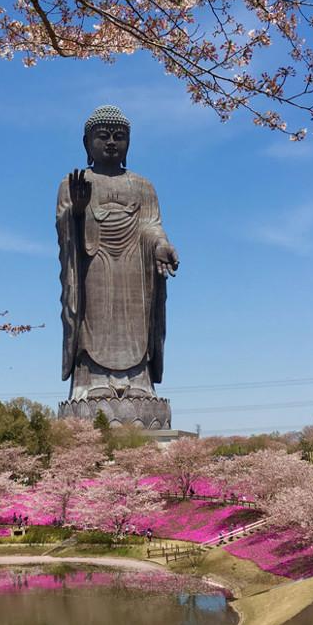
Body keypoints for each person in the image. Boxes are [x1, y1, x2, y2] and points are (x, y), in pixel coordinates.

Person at [57, 106, 179, 429]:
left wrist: (162, 246)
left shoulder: (144, 187)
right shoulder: (73, 183)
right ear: (87, 143)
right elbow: (65, 229)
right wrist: (78, 213)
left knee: (136, 323)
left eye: (119, 137)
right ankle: (90, 385)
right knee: (92, 320)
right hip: (93, 267)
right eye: (103, 136)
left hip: (134, 272)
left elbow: (152, 226)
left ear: (129, 143)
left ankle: (139, 384)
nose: (111, 142)